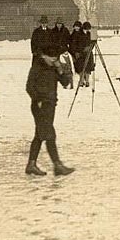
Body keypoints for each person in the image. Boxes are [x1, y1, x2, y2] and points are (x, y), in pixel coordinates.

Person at [25, 44, 75, 176]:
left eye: (55, 58)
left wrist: (60, 69)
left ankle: (31, 165)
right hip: (40, 106)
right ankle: (57, 165)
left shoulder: (53, 68)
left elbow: (66, 83)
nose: (54, 60)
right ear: (43, 56)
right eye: (51, 58)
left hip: (50, 105)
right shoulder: (36, 68)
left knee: (40, 135)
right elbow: (29, 87)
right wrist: (38, 100)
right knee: (49, 135)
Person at [69, 21, 87, 85]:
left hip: (80, 53)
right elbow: (70, 44)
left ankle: (82, 80)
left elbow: (83, 44)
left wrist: (79, 52)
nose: (77, 28)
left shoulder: (82, 34)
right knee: (78, 67)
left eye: (78, 26)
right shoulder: (72, 34)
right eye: (75, 26)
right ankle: (82, 79)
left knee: (81, 67)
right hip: (73, 53)